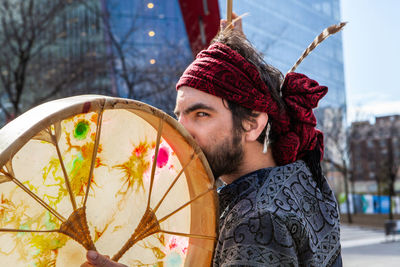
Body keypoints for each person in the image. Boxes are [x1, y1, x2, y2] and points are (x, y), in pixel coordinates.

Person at [81, 15, 342, 267]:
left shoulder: (254, 220)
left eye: (201, 114)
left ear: (253, 124)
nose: (182, 130)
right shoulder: (303, 177)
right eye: (179, 115)